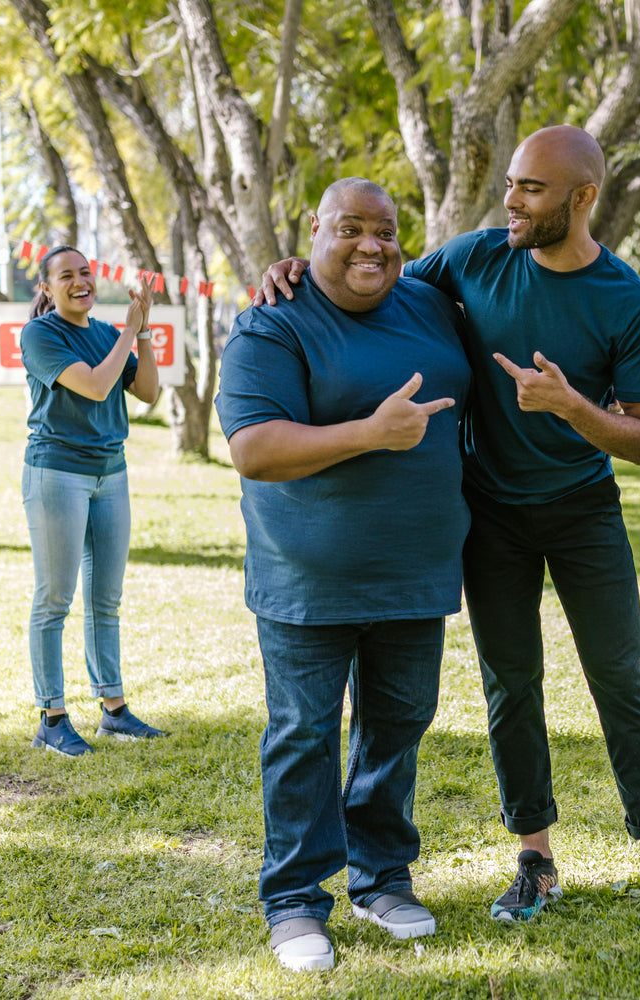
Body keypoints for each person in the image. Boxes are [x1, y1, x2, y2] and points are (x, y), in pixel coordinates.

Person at [259, 126, 640, 931]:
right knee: (512, 686)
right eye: (509, 183)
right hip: (490, 516)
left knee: (620, 680)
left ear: (581, 198)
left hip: (582, 513)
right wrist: (295, 267)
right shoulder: (474, 257)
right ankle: (534, 858)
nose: (511, 201)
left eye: (531, 189)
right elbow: (373, 278)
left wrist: (573, 406)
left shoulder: (630, 302)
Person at [217, 178, 471, 972]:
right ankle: (294, 899)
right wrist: (370, 432)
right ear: (314, 232)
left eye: (387, 230)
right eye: (351, 228)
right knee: (303, 736)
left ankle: (382, 877)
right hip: (307, 578)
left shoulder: (428, 301)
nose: (373, 244)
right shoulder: (273, 321)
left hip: (415, 570)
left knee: (396, 726)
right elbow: (254, 447)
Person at [19, 246, 165, 756]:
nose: (80, 281)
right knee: (54, 599)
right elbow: (97, 388)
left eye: (85, 272)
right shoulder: (42, 335)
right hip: (57, 474)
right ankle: (52, 717)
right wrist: (128, 328)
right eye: (66, 276)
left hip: (111, 475)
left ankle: (114, 711)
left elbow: (148, 391)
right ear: (47, 288)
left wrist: (141, 331)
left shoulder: (107, 333)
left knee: (106, 598)